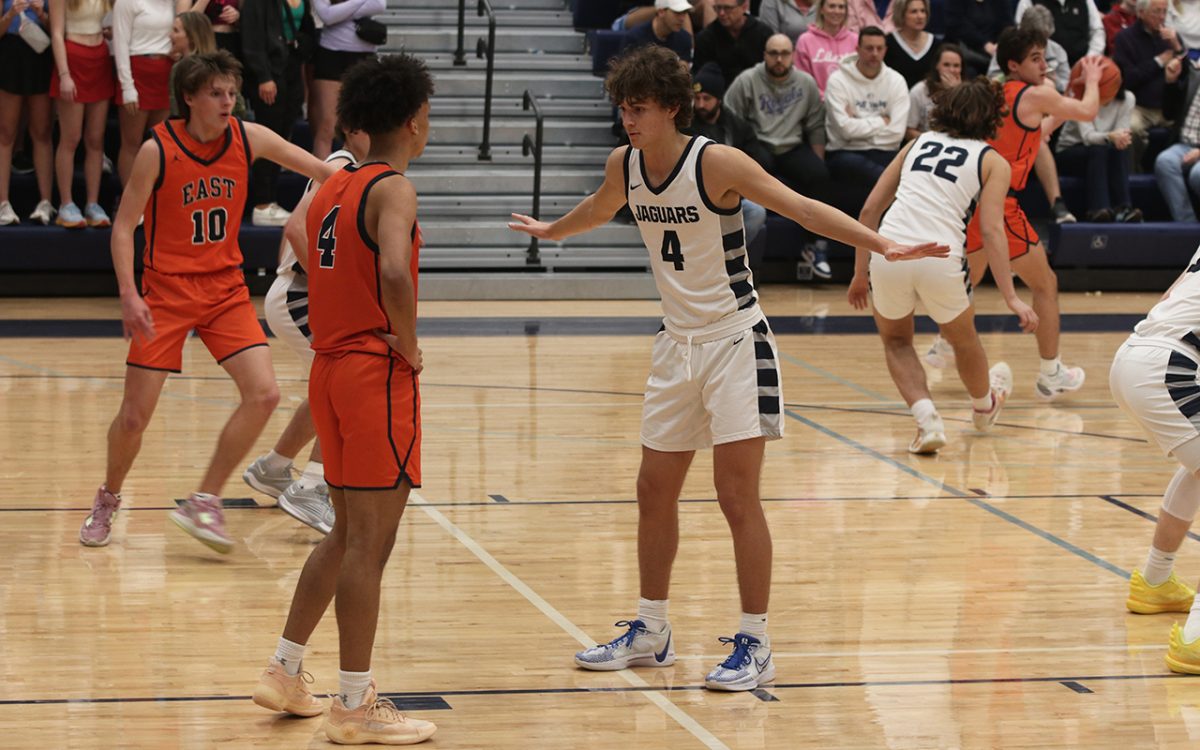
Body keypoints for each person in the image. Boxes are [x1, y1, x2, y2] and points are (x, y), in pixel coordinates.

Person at [509, 44, 948, 691]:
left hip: (736, 341)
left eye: (639, 109)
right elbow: (601, 207)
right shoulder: (624, 165)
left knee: (736, 496)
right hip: (675, 345)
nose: (628, 120)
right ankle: (652, 632)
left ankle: (756, 641)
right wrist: (552, 232)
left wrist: (881, 242)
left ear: (672, 108)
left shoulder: (714, 162)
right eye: (622, 109)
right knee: (652, 490)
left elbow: (800, 207)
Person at [77, 50, 334, 552]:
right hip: (166, 293)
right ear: (189, 97)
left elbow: (323, 170)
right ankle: (108, 496)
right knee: (134, 417)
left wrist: (376, 190)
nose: (226, 101)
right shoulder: (158, 149)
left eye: (231, 93)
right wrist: (129, 294)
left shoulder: (247, 136)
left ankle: (206, 501)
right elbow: (124, 226)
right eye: (216, 93)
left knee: (264, 393)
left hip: (224, 291)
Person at [252, 52, 438, 745]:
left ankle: (285, 668)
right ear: (415, 122)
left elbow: (297, 239)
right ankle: (354, 706)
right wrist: (407, 340)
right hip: (371, 373)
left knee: (342, 532)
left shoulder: (333, 184)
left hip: (328, 370)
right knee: (370, 542)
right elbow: (394, 267)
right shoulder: (392, 189)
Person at [850, 76, 1038, 453]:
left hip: (891, 253)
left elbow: (870, 209)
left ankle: (927, 421)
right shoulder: (992, 160)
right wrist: (1012, 297)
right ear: (991, 118)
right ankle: (984, 407)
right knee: (963, 339)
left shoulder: (916, 143)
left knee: (898, 342)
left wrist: (859, 273)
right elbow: (992, 232)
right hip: (941, 256)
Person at [958, 28, 1104, 400]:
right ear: (1013, 64)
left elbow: (1035, 132)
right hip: (999, 203)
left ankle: (946, 346)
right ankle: (1051, 373)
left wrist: (1061, 97)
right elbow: (1088, 111)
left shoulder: (996, 92)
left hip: (970, 200)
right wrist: (1092, 80)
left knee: (966, 283)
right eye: (1035, 58)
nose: (1044, 63)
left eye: (1044, 56)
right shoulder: (1036, 94)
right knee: (1045, 285)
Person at [242, 128, 370, 534]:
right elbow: (296, 229)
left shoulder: (353, 169)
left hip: (298, 294)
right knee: (346, 383)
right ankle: (312, 485)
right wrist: (329, 286)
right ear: (354, 130)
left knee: (327, 385)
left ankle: (274, 468)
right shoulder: (340, 165)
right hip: (300, 292)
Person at [1109, 245, 1200, 674]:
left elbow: (1170, 297)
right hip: (1171, 367)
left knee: (1197, 468)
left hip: (1136, 353)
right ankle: (1196, 639)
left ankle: (1155, 581)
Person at [724, 33, 833, 275]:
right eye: (773, 53)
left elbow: (816, 126)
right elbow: (729, 119)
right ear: (764, 55)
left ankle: (816, 246)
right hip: (757, 144)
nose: (779, 59)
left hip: (791, 146)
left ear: (792, 55)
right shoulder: (747, 80)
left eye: (784, 53)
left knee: (820, 175)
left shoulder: (806, 83)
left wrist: (817, 160)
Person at [240, 0, 313, 226]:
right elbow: (251, 37)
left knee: (283, 134)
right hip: (269, 72)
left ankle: (272, 202)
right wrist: (263, 76)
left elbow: (307, 29)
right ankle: (263, 203)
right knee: (268, 136)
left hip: (291, 68)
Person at [684, 62, 769, 249]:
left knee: (756, 212)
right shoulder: (686, 125)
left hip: (732, 194)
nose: (700, 105)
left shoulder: (738, 126)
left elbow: (754, 163)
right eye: (696, 98)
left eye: (706, 98)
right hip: (695, 196)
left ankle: (725, 256)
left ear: (719, 99)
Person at [49, 0, 113, 229]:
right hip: (73, 57)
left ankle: (92, 204)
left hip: (100, 57)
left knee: (96, 139)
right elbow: (56, 34)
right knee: (71, 137)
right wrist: (64, 74)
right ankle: (66, 204)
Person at [824, 27, 908, 197]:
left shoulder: (896, 81)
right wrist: (882, 121)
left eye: (879, 48)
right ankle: (891, 188)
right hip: (845, 152)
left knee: (905, 166)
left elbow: (897, 133)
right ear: (858, 49)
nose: (874, 53)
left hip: (886, 151)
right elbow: (844, 130)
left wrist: (856, 121)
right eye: (869, 48)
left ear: (885, 50)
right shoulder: (837, 80)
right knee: (885, 175)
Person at [0, 0, 55, 226]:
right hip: (10, 54)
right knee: (6, 133)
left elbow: (59, 30)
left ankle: (45, 201)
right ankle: (3, 202)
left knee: (41, 132)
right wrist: (11, 14)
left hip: (40, 53)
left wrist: (41, 14)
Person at [309, 0, 384, 160]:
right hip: (332, 54)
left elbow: (379, 4)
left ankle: (363, 177)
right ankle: (321, 181)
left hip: (364, 55)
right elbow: (327, 16)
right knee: (327, 126)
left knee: (363, 125)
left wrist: (341, 11)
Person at [1055, 87, 1144, 222]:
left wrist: (1119, 138)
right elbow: (1088, 137)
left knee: (1119, 148)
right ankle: (1098, 209)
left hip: (1103, 149)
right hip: (1071, 150)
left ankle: (1123, 208)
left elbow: (1122, 132)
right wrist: (1110, 136)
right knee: (1098, 149)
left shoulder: (1128, 98)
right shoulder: (1082, 97)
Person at [112, 0, 174, 187]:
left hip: (165, 73)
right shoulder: (126, 3)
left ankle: (153, 199)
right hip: (138, 72)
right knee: (132, 143)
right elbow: (120, 44)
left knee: (159, 143)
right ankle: (131, 205)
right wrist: (127, 87)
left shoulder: (173, 3)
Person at [1113, 0, 1185, 151]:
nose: (1161, 17)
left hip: (1168, 107)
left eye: (1164, 12)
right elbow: (1128, 79)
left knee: (1191, 125)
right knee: (1131, 128)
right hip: (1139, 106)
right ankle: (1134, 171)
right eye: (1156, 11)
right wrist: (1158, 62)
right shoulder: (1125, 38)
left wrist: (1178, 47)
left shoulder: (1171, 38)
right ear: (1141, 13)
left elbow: (1188, 77)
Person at [167, 10, 245, 117]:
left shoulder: (181, 68)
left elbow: (177, 113)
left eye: (176, 31)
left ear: (192, 37)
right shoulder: (221, 62)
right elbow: (240, 109)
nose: (170, 35)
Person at [1155, 58, 1200, 221]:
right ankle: (1187, 223)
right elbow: (1169, 113)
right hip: (1184, 145)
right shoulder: (1195, 76)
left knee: (1198, 174)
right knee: (1164, 161)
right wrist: (1171, 81)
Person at [693, 0, 773, 85]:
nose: (721, 13)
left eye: (727, 8)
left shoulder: (763, 34)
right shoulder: (706, 38)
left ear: (744, 7)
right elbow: (699, 75)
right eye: (718, 8)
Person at [793, 0, 857, 95]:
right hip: (817, 104)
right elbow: (802, 81)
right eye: (832, 6)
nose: (836, 11)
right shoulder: (805, 40)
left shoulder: (855, 40)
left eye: (841, 7)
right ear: (821, 10)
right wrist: (827, 99)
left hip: (850, 103)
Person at [1014, 0, 1107, 64]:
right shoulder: (1027, 2)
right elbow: (1022, 36)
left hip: (1084, 65)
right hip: (1047, 67)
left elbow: (1097, 31)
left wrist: (1089, 60)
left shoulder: (1086, 1)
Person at [906, 42, 962, 141]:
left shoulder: (968, 94)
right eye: (946, 65)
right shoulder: (919, 91)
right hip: (927, 144)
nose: (951, 70)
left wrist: (955, 92)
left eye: (956, 66)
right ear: (937, 66)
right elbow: (909, 131)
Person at [944, 0, 1009, 75]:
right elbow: (957, 26)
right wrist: (985, 44)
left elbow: (1007, 24)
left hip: (996, 51)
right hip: (967, 52)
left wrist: (1000, 44)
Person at [884, 0, 935, 89]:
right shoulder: (888, 43)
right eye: (914, 11)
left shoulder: (936, 44)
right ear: (902, 14)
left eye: (923, 11)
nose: (920, 16)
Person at [620, 0, 693, 61]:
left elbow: (684, 71)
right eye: (677, 13)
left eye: (684, 13)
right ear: (661, 12)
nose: (682, 19)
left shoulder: (684, 38)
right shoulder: (635, 37)